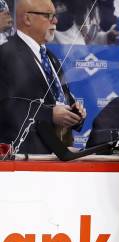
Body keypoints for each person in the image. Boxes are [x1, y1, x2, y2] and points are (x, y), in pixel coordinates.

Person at [0, 0, 86, 154]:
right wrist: (49, 115)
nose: (55, 21)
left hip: (58, 156)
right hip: (24, 158)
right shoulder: (4, 54)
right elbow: (5, 105)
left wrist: (74, 113)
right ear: (27, 19)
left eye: (55, 15)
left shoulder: (50, 57)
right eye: (48, 15)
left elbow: (59, 99)